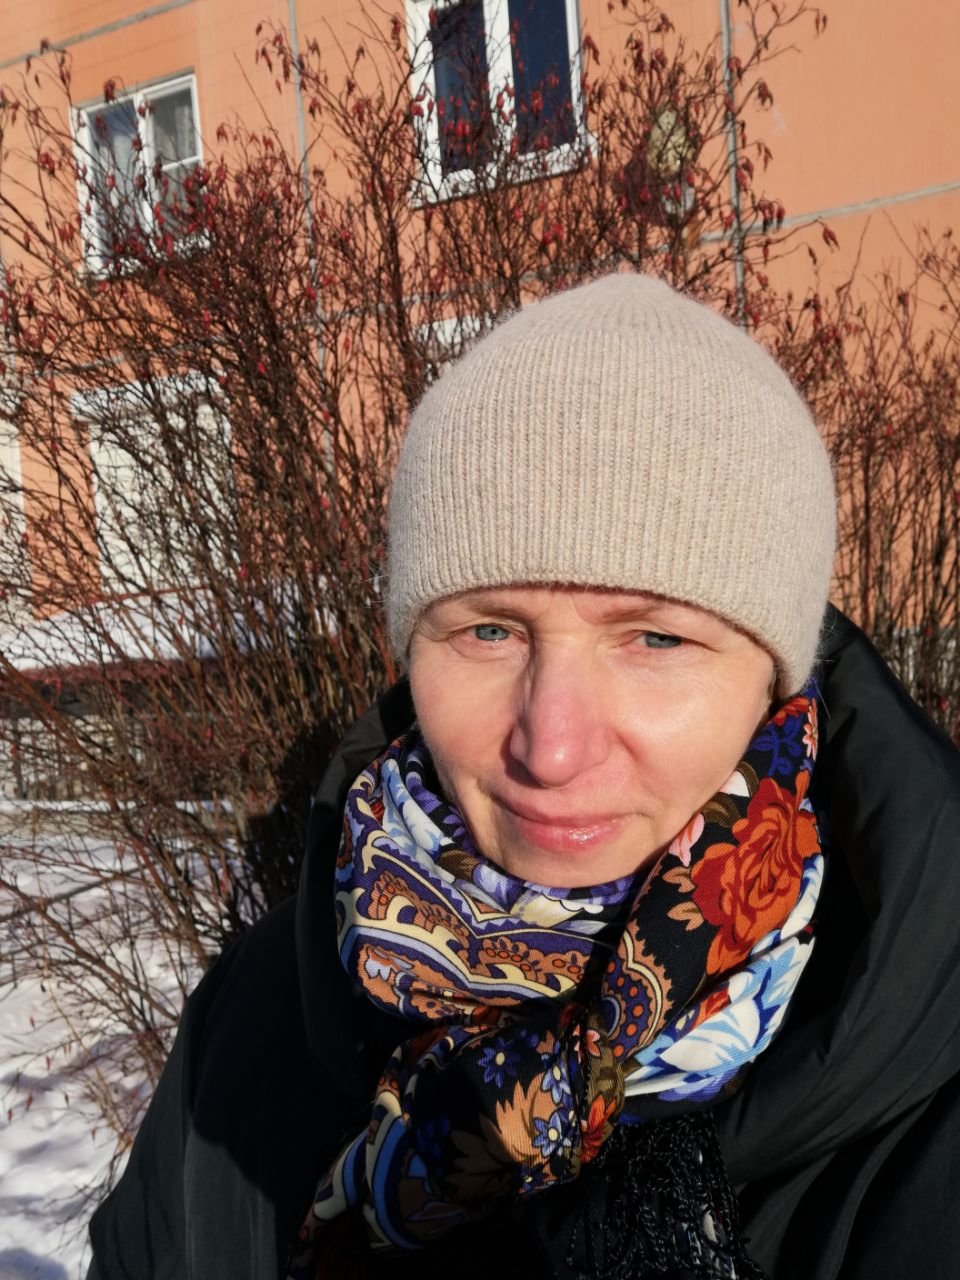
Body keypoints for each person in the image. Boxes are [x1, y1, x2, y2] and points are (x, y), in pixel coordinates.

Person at [86, 275, 960, 1280]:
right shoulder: (252, 1023)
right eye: (490, 630)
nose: (551, 748)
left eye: (656, 637)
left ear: (776, 684)